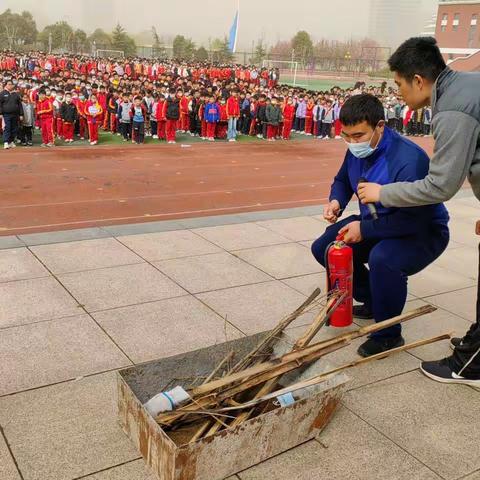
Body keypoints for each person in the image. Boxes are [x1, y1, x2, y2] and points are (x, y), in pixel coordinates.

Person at [358, 37, 480, 385]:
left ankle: (473, 364)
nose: (397, 93)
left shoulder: (454, 109)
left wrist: (384, 193)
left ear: (419, 81)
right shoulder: (465, 86)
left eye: (398, 84)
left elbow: (441, 185)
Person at [312, 94, 450, 357]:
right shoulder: (355, 150)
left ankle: (388, 334)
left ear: (380, 126)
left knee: (383, 258)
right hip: (379, 222)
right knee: (325, 247)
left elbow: (414, 218)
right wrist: (336, 202)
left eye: (358, 135)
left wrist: (364, 230)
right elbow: (342, 180)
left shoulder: (408, 160)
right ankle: (374, 300)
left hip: (422, 230)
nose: (352, 143)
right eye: (346, 136)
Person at [0, 79, 23, 149]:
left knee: (14, 128)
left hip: (15, 114)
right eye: (8, 84)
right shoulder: (2, 93)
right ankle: (6, 142)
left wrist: (21, 114)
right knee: (7, 128)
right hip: (6, 114)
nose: (10, 85)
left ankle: (11, 141)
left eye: (11, 84)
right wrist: (0, 113)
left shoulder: (16, 94)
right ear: (6, 85)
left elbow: (20, 105)